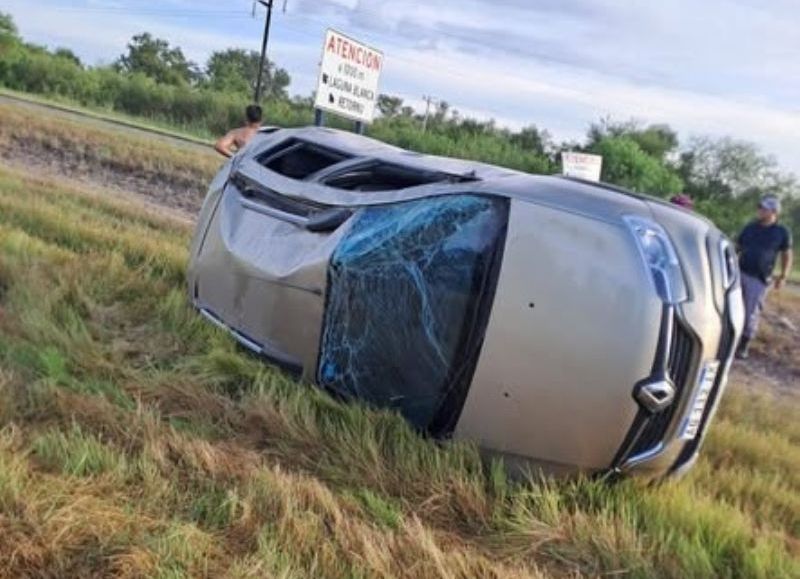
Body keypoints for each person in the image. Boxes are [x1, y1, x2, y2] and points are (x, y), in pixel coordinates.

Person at [735, 195, 793, 359]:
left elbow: (786, 254)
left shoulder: (781, 232)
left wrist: (783, 275)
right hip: (740, 272)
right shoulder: (750, 227)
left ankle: (743, 345)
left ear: (774, 212)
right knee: (733, 306)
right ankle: (729, 339)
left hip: (759, 278)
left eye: (764, 208)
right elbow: (737, 247)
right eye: (759, 207)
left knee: (751, 312)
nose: (760, 211)